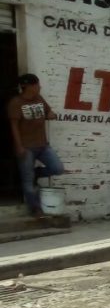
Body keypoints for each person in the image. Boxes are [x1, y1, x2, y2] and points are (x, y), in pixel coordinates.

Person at [8, 73, 63, 218]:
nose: (40, 87)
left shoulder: (39, 98)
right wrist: (19, 146)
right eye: (37, 85)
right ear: (29, 87)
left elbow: (48, 111)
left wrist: (50, 114)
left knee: (57, 168)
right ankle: (35, 208)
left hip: (43, 145)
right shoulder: (16, 103)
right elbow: (14, 126)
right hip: (26, 146)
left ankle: (37, 173)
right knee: (28, 182)